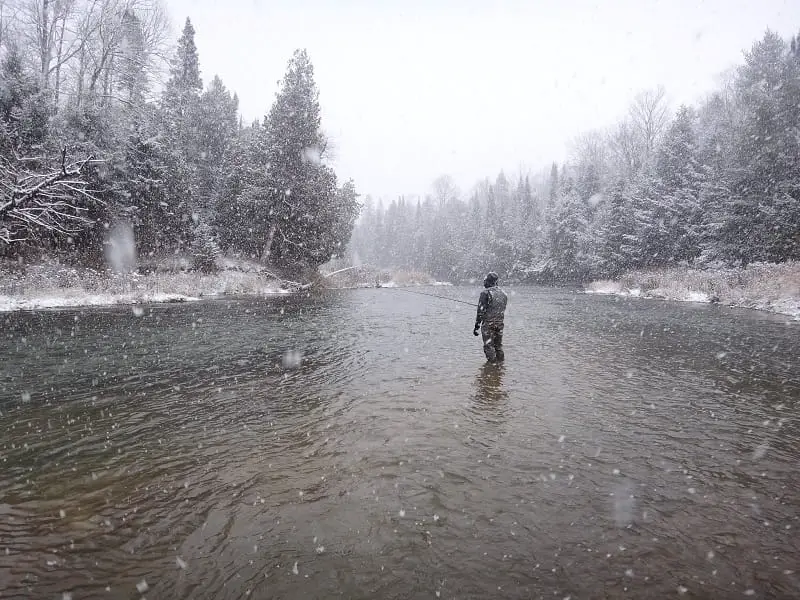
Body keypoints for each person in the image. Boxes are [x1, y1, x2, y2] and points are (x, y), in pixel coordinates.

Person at [473, 271, 507, 363]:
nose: (484, 283)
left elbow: (480, 311)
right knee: (498, 346)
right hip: (500, 324)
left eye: (486, 281)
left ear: (488, 281)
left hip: (488, 324)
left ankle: (492, 369)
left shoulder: (485, 293)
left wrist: (477, 326)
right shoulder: (504, 294)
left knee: (489, 346)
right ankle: (500, 367)